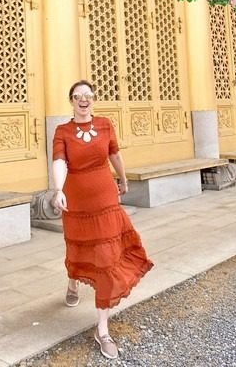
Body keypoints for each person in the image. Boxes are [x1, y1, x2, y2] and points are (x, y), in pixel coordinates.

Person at [52, 79, 153, 360]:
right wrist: (58, 188)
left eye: (88, 95)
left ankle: (102, 329)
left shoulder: (106, 124)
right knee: (78, 247)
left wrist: (122, 178)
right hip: (77, 201)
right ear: (70, 100)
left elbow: (113, 153)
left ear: (93, 99)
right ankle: (73, 281)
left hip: (106, 199)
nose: (83, 99)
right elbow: (59, 161)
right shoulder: (62, 131)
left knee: (107, 257)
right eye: (77, 96)